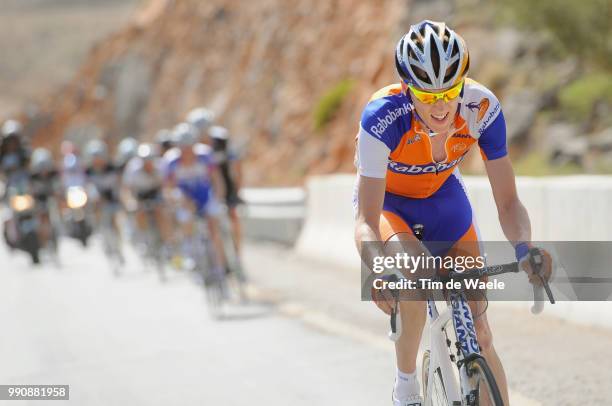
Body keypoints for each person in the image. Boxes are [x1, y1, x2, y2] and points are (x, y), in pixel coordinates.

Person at [353, 20, 552, 406]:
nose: (442, 106)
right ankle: (407, 386)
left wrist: (525, 248)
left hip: (445, 201)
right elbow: (365, 219)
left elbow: (508, 203)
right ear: (408, 91)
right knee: (413, 279)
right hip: (391, 206)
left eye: (450, 92)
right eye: (428, 98)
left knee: (482, 334)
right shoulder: (381, 117)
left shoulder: (482, 107)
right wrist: (378, 269)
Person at [164, 123, 227, 275]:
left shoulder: (205, 156)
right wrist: (177, 201)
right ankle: (190, 250)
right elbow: (168, 188)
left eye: (189, 146)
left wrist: (219, 197)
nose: (186, 151)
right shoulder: (171, 162)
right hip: (185, 199)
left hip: (205, 195)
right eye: (182, 147)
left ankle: (221, 266)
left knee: (214, 227)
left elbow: (217, 179)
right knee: (186, 220)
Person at [121, 143, 170, 251]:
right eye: (145, 161)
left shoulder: (161, 167)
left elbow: (166, 186)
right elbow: (126, 189)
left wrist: (167, 197)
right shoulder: (132, 169)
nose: (148, 164)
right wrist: (130, 202)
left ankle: (167, 243)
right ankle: (143, 239)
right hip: (140, 194)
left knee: (161, 212)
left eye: (150, 161)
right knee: (140, 212)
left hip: (156, 192)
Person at [207, 125, 244, 254]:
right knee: (214, 221)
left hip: (228, 188)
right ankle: (221, 253)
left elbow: (238, 172)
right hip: (213, 189)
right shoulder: (208, 153)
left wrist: (237, 191)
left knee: (234, 216)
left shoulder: (230, 152)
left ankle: (237, 250)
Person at [0, 120, 30, 188]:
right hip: (5, 186)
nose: (12, 144)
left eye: (14, 141)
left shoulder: (23, 154)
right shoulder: (2, 155)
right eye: (9, 141)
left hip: (22, 184)